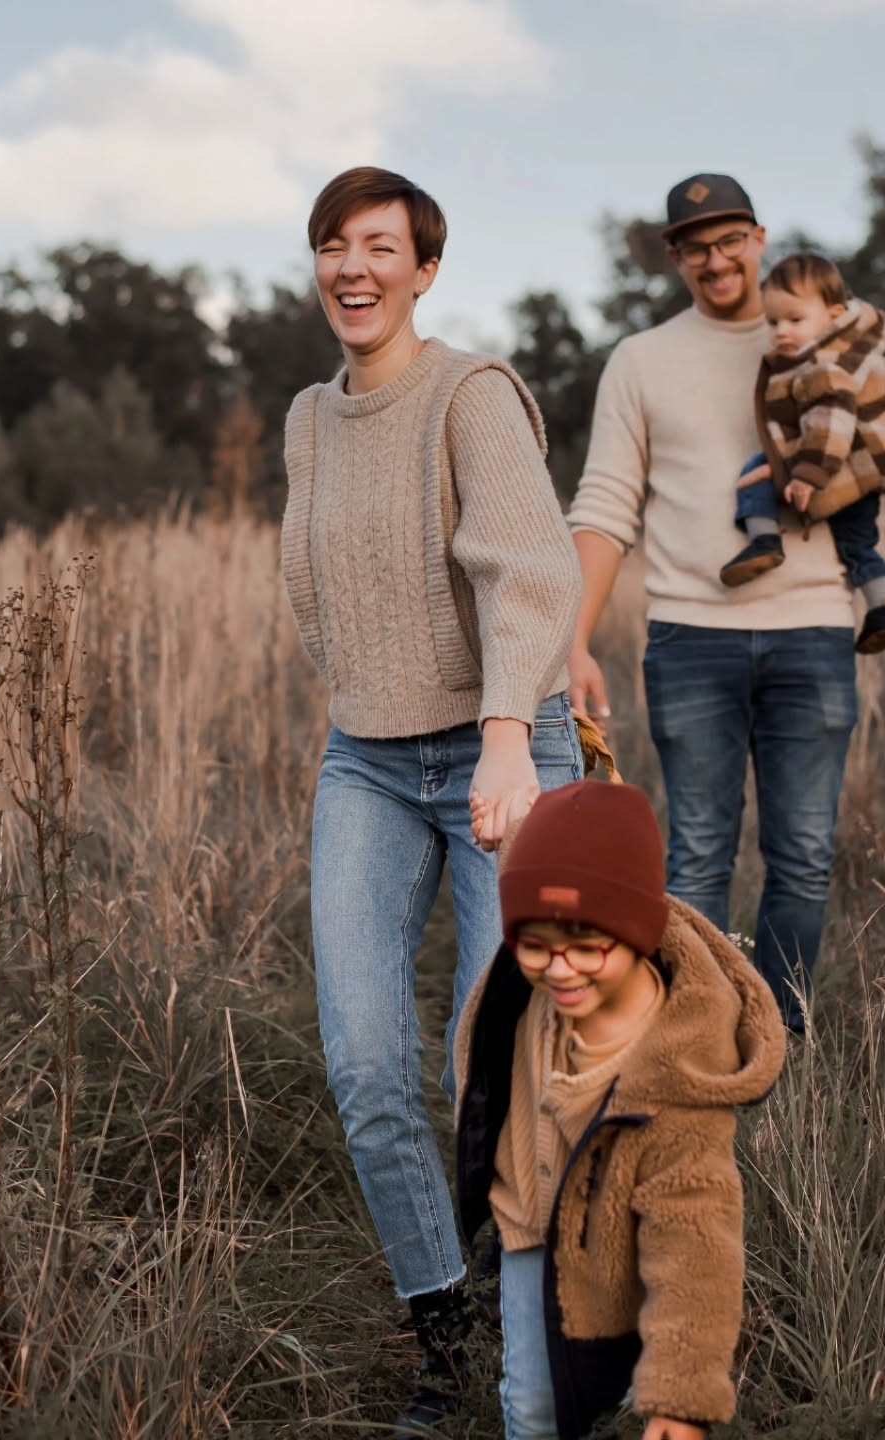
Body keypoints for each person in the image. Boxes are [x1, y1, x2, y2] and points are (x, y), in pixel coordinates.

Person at [280, 166, 584, 1433]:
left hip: (501, 747)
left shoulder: (472, 395)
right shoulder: (309, 416)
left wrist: (511, 738)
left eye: (379, 246)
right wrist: (365, 688)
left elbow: (529, 570)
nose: (353, 268)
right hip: (368, 756)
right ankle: (446, 1332)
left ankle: (551, 1322)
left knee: (492, 1063)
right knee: (364, 1061)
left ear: (424, 270)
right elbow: (318, 581)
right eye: (333, 245)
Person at [566, 173, 885, 1031]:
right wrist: (574, 640)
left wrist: (830, 480)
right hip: (689, 638)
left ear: (759, 239)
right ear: (674, 257)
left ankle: (779, 1043)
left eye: (730, 240)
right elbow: (604, 505)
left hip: (812, 635)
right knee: (698, 860)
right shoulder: (640, 360)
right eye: (695, 247)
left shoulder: (829, 339)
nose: (716, 260)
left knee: (804, 859)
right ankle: (701, 1043)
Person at [457, 780, 787, 1440]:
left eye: (586, 947)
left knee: (626, 1401)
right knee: (531, 1407)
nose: (560, 970)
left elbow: (696, 1245)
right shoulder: (528, 977)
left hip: (624, 1254)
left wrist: (682, 1400)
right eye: (534, 945)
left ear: (636, 932)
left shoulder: (679, 1076)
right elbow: (546, 872)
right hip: (528, 1226)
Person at [720, 251, 885, 656]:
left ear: (833, 314)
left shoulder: (824, 365)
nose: (782, 332)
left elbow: (831, 423)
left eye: (795, 320)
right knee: (859, 544)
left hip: (826, 462)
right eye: (773, 322)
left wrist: (807, 476)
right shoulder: (844, 354)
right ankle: (882, 608)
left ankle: (764, 540)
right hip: (861, 474)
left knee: (755, 471)